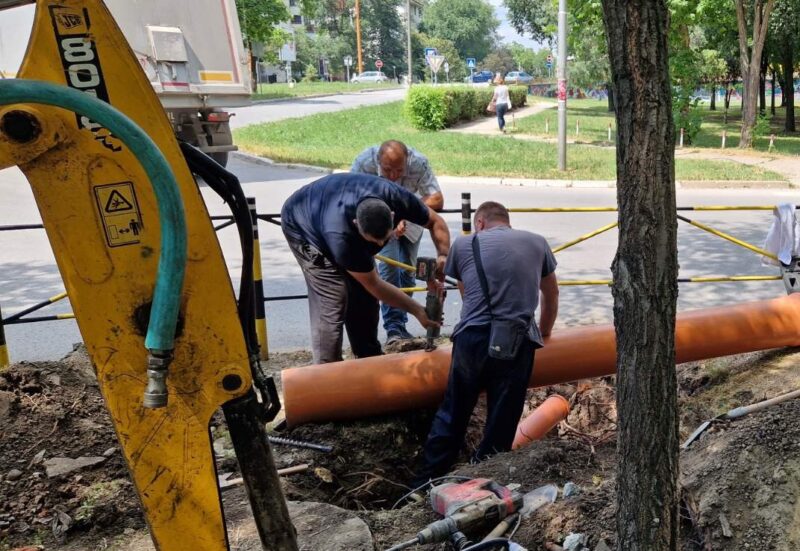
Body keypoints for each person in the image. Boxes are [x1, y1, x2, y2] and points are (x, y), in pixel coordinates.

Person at [413, 201, 559, 485]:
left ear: (479, 222)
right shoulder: (538, 242)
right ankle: (482, 486)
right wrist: (544, 333)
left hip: (472, 340)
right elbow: (551, 296)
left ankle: (424, 485)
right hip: (518, 342)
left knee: (453, 414)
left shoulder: (463, 245)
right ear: (507, 221)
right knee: (502, 423)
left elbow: (468, 296)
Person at [281, 172, 450, 364]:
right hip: (303, 226)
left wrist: (443, 255)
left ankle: (368, 360)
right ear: (356, 224)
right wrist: (417, 310)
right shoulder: (341, 236)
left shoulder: (396, 197)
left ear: (393, 215)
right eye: (374, 241)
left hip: (332, 204)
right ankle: (326, 373)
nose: (380, 244)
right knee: (333, 297)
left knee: (364, 296)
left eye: (385, 239)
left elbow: (436, 222)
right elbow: (375, 285)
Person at [351, 141, 444, 344]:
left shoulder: (419, 162)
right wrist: (390, 220)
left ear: (407, 161)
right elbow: (351, 198)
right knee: (389, 269)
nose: (393, 176)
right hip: (379, 223)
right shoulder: (363, 162)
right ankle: (394, 329)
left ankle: (402, 326)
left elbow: (437, 198)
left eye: (399, 171)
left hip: (412, 221)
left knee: (408, 271)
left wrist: (406, 212)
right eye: (387, 170)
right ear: (377, 162)